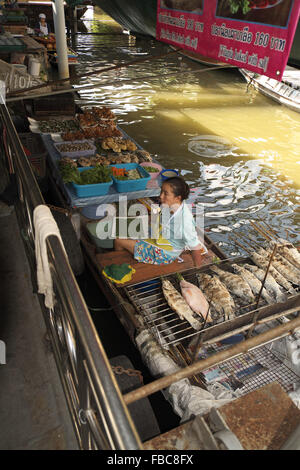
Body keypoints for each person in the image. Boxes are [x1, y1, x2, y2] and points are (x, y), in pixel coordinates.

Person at [114, 176, 207, 266]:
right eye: (161, 191)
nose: (161, 196)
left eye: (165, 193)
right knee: (124, 230)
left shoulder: (184, 222)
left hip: (165, 253)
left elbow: (195, 247)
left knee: (118, 241)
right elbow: (156, 218)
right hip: (160, 236)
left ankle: (116, 262)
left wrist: (197, 267)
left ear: (178, 197)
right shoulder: (170, 204)